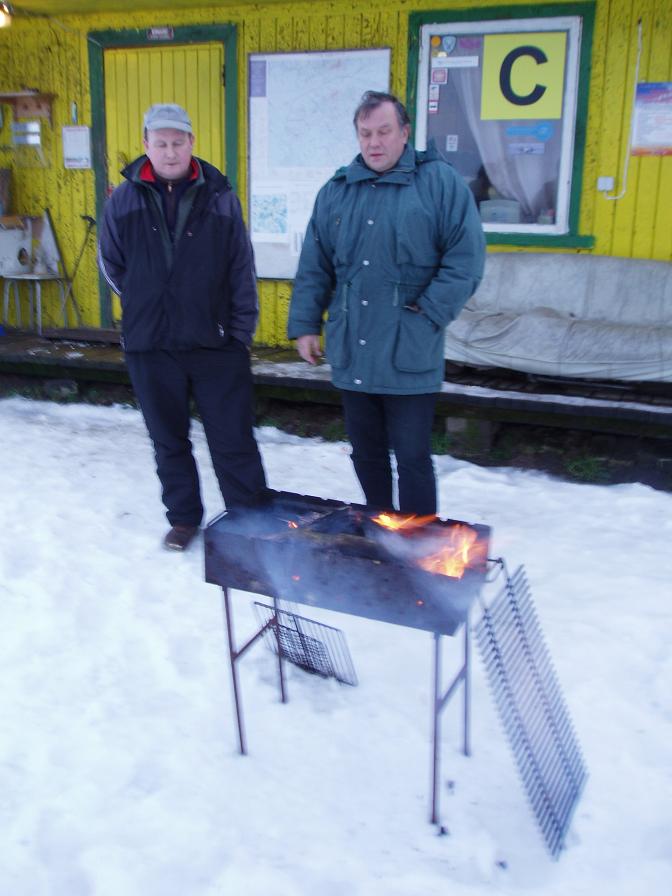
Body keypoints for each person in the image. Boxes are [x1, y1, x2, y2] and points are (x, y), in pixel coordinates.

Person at [287, 90, 485, 517]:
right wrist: (305, 324)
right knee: (366, 454)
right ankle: (379, 530)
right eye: (365, 134)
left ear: (405, 133)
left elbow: (465, 260)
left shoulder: (439, 184)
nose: (374, 142)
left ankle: (418, 547)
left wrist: (429, 312)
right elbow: (314, 265)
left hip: (408, 349)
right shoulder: (337, 190)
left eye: (383, 132)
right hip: (353, 349)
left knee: (412, 458)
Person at [99, 103, 267, 551]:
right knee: (168, 441)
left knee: (233, 440)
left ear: (192, 143)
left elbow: (241, 268)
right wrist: (142, 300)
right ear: (146, 145)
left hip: (214, 344)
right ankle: (184, 520)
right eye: (161, 143)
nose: (170, 152)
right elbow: (111, 262)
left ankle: (249, 521)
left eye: (178, 142)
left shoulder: (219, 195)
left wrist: (239, 334)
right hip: (150, 345)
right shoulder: (124, 199)